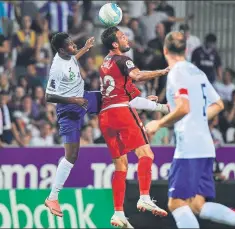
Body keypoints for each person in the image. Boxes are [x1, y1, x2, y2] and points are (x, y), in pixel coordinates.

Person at [146, 31, 235, 229]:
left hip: (189, 147)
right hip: (205, 146)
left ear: (165, 50)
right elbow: (218, 104)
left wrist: (157, 124)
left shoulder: (176, 72)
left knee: (176, 203)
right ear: (185, 50)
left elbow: (184, 108)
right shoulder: (197, 71)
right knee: (197, 204)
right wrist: (195, 115)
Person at [99, 26, 169, 228]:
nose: (127, 39)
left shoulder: (106, 64)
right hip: (121, 113)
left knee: (120, 166)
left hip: (105, 117)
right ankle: (144, 196)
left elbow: (133, 99)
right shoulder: (123, 60)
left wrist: (160, 107)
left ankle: (118, 213)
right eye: (122, 37)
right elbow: (137, 77)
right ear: (115, 44)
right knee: (146, 154)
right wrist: (162, 72)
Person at [44, 32, 97, 217]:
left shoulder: (69, 55)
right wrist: (72, 100)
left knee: (111, 98)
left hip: (83, 98)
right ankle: (52, 197)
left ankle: (152, 104)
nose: (73, 45)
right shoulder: (56, 68)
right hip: (68, 109)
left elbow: (73, 59)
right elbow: (48, 96)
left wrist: (84, 48)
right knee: (72, 156)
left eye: (73, 43)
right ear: (60, 50)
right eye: (70, 45)